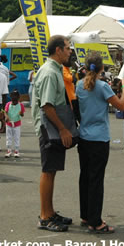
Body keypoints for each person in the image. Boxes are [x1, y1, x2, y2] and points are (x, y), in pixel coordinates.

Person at [75, 52, 124, 234]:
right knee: (96, 180)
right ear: (101, 69)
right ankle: (95, 221)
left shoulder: (79, 85)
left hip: (84, 136)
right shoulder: (102, 87)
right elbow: (121, 106)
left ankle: (86, 215)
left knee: (85, 177)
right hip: (99, 138)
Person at [32, 35, 74, 232]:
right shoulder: (50, 72)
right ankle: (44, 216)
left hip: (52, 127)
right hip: (49, 127)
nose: (70, 51)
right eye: (67, 48)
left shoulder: (55, 70)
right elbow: (47, 106)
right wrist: (63, 128)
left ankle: (49, 211)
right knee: (48, 171)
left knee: (52, 170)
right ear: (58, 50)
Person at [4, 90, 24, 158]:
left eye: (16, 101)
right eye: (13, 101)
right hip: (9, 123)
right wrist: (6, 117)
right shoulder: (8, 104)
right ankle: (9, 150)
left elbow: (22, 114)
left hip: (17, 124)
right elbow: (5, 112)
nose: (14, 103)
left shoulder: (21, 105)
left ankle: (16, 150)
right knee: (8, 137)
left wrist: (21, 113)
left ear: (18, 99)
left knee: (16, 137)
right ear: (11, 98)